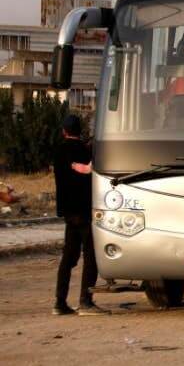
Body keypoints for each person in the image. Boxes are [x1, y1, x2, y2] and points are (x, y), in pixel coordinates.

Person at [53, 114, 108, 316]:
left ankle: (59, 302)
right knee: (91, 256)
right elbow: (88, 171)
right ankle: (85, 301)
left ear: (64, 132)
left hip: (68, 213)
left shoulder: (58, 152)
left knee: (68, 258)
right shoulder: (84, 151)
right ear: (80, 131)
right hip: (85, 211)